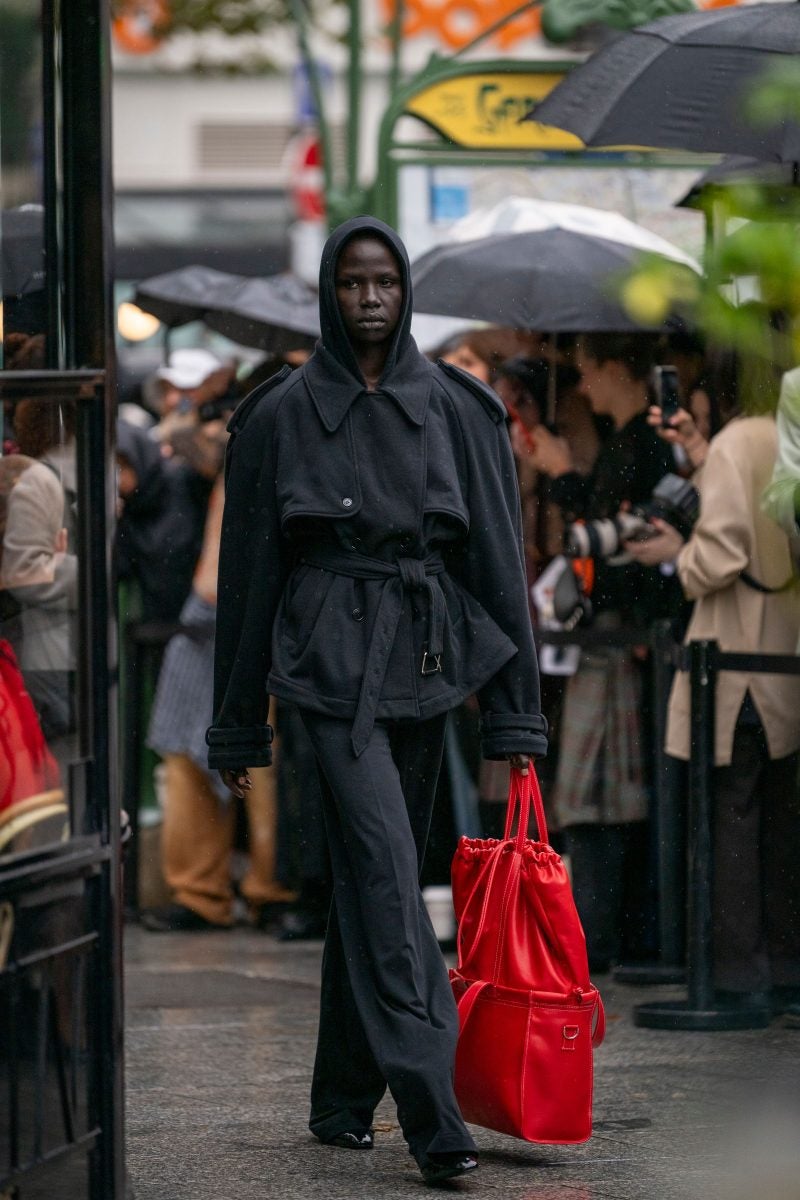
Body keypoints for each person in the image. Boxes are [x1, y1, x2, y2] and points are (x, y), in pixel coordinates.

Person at [207, 216, 547, 1185]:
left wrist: (513, 715)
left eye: (385, 283)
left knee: (371, 878)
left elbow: (493, 563)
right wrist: (238, 725)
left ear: (402, 295)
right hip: (324, 664)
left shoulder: (457, 409)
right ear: (328, 291)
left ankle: (338, 1097)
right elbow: (249, 577)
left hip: (426, 656)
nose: (369, 298)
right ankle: (433, 1111)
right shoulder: (275, 416)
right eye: (353, 282)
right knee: (388, 870)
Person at [627, 386, 800, 1018]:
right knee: (779, 824)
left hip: (735, 657)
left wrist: (679, 557)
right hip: (785, 649)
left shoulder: (733, 445)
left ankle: (734, 973)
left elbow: (723, 551)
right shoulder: (781, 437)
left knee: (731, 820)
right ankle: (782, 965)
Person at [521, 333, 674, 971]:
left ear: (616, 368)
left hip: (617, 634)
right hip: (613, 632)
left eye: (588, 371)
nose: (582, 387)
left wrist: (562, 476)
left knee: (599, 793)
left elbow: (606, 546)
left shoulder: (640, 444)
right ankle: (609, 935)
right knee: (603, 792)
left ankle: (604, 937)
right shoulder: (636, 441)